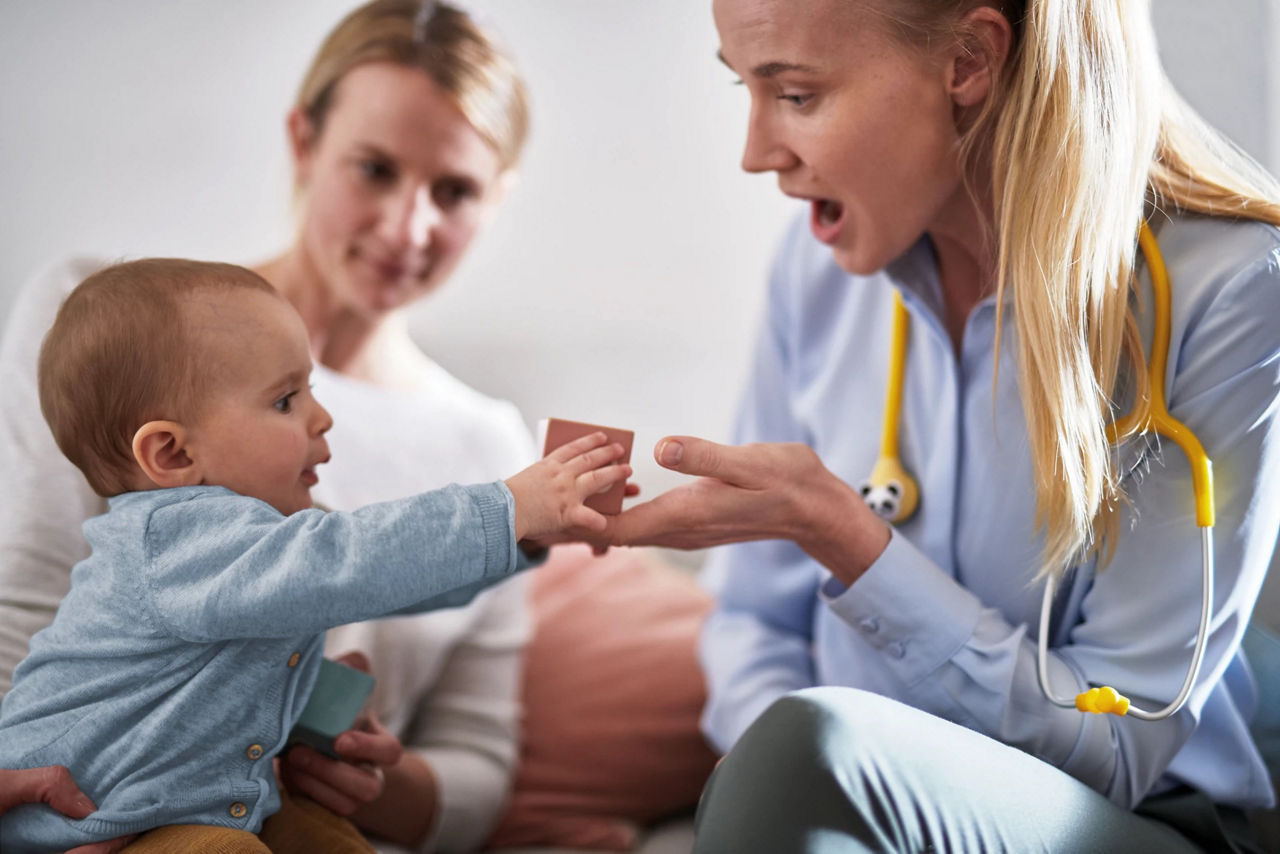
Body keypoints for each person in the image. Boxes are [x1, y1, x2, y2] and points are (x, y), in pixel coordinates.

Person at [607, 0, 1280, 851]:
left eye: (797, 96)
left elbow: (1118, 748)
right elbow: (752, 622)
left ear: (968, 60)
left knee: (805, 751)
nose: (756, 155)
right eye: (746, 88)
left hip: (1124, 821)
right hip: (849, 818)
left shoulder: (1228, 289)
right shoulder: (813, 276)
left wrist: (849, 541)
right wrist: (769, 780)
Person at [0, 2, 545, 851]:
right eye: (374, 168)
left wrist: (362, 765)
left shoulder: (492, 443)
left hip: (263, 800)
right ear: (303, 140)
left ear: (500, 197)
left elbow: (477, 765)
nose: (408, 227)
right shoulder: (110, 334)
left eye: (455, 190)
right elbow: (27, 622)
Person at [0, 259, 630, 854]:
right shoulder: (173, 544)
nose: (322, 417)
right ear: (171, 455)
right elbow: (355, 557)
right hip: (104, 822)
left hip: (212, 806)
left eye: (311, 390)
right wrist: (508, 506)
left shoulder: (265, 540)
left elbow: (396, 575)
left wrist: (526, 537)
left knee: (331, 841)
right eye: (285, 401)